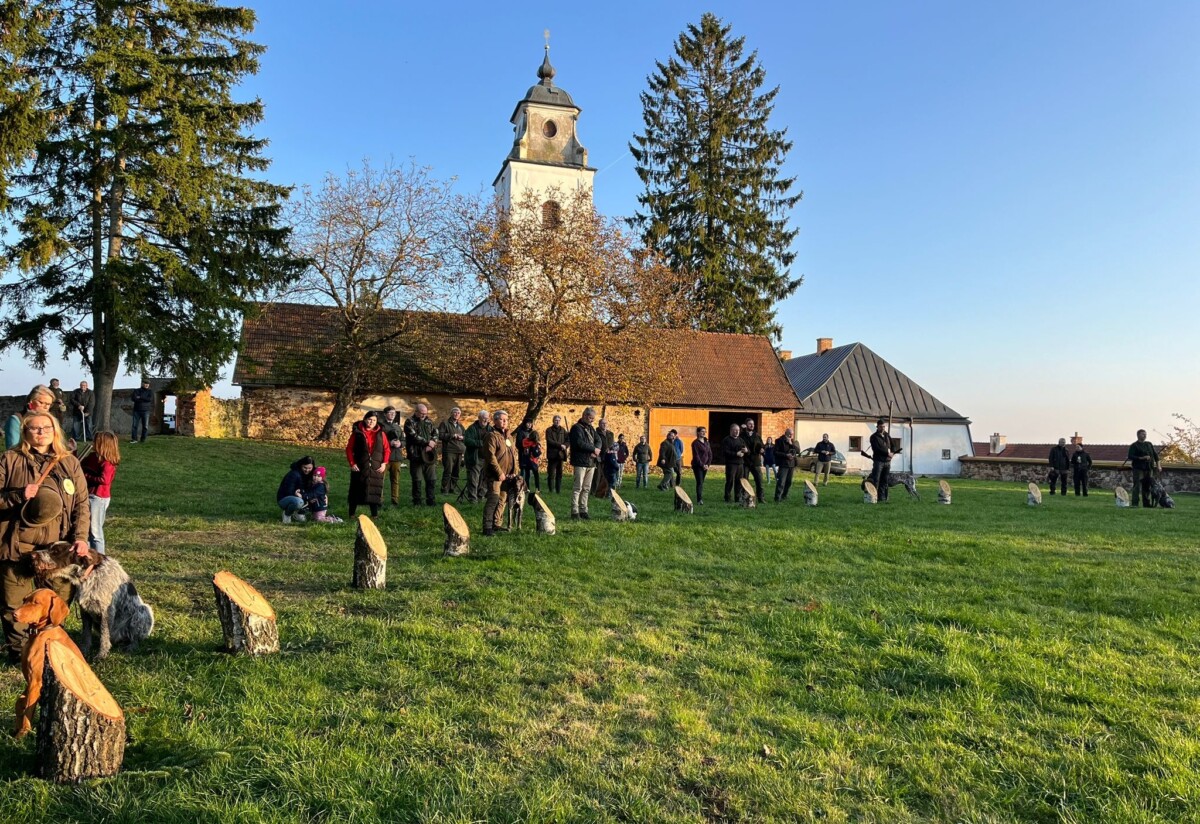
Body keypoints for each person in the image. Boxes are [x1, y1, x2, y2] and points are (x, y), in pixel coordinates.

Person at [0, 411, 90, 661]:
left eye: (46, 428)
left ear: (55, 432)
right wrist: (18, 495)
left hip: (57, 550)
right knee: (13, 605)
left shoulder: (69, 462)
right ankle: (20, 653)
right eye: (35, 429)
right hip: (17, 545)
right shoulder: (9, 460)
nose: (41, 433)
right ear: (25, 432)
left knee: (59, 601)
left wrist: (81, 537)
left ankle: (47, 647)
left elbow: (82, 504)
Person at [81, 431, 120, 553]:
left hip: (98, 498)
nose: (93, 444)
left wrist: (86, 476)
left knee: (95, 530)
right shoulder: (93, 458)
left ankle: (100, 557)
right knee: (86, 528)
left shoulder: (107, 463)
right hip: (90, 495)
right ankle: (87, 555)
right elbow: (78, 464)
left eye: (96, 442)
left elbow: (104, 480)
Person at [346, 411, 390, 517]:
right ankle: (351, 514)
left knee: (375, 490)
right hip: (360, 466)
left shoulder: (381, 433)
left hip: (376, 466)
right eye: (369, 419)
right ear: (365, 419)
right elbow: (349, 449)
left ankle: (374, 515)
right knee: (356, 490)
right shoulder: (357, 432)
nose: (371, 422)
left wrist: (384, 463)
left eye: (374, 420)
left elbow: (387, 449)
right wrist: (352, 463)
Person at [483, 410, 519, 536]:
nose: (504, 422)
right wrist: (499, 472)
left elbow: (514, 454)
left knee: (502, 500)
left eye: (506, 419)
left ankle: (496, 524)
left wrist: (514, 472)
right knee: (493, 499)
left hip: (508, 475)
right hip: (495, 474)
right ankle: (487, 527)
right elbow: (490, 457)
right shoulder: (491, 436)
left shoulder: (509, 436)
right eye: (502, 419)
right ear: (495, 421)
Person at [569, 407, 603, 520]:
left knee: (586, 488)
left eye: (593, 418)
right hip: (580, 461)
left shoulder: (591, 429)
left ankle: (584, 510)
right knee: (578, 487)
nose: (592, 420)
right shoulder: (576, 428)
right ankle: (575, 511)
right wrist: (593, 449)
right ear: (584, 415)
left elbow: (599, 441)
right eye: (590, 418)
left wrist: (596, 450)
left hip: (591, 462)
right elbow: (579, 443)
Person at [403, 403, 438, 506]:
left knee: (431, 479)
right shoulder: (409, 422)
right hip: (416, 455)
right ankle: (417, 501)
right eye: (422, 413)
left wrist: (431, 444)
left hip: (429, 454)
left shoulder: (429, 421)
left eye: (425, 413)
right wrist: (427, 442)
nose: (424, 415)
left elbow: (435, 433)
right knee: (417, 479)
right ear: (416, 412)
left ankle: (431, 500)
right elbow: (413, 436)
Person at [860, 419, 901, 502]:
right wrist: (887, 453)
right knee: (876, 479)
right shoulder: (873, 437)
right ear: (877, 427)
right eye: (880, 426)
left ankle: (883, 498)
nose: (882, 428)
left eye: (883, 426)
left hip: (887, 461)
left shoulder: (887, 435)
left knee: (885, 480)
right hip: (878, 461)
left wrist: (893, 453)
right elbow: (876, 449)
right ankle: (874, 497)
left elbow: (893, 445)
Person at [6, 385, 54, 450]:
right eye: (41, 402)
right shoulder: (17, 419)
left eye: (48, 404)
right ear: (31, 401)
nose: (46, 407)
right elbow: (12, 449)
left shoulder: (51, 420)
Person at [1125, 429, 1160, 508]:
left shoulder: (1149, 444)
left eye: (1145, 434)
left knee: (1147, 486)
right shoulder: (1134, 445)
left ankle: (1146, 503)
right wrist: (1141, 458)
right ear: (1138, 435)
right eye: (1142, 434)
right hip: (1138, 468)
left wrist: (1158, 466)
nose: (1144, 436)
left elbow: (1155, 455)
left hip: (1149, 468)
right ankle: (1135, 503)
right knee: (1137, 485)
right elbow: (1130, 456)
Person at [464, 410, 492, 503]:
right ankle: (472, 499)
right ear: (479, 418)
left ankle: (480, 496)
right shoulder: (472, 428)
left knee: (484, 479)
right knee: (473, 479)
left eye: (487, 418)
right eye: (484, 418)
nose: (485, 420)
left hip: (487, 458)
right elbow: (467, 441)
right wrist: (481, 443)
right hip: (475, 458)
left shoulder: (491, 429)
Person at [379, 407, 405, 506]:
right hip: (384, 457)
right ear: (385, 414)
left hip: (396, 457)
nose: (393, 415)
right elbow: (379, 440)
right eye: (390, 413)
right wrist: (390, 443)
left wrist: (400, 444)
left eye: (394, 413)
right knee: (381, 480)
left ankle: (395, 500)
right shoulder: (381, 426)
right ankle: (379, 500)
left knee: (395, 480)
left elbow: (403, 440)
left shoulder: (397, 427)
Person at [278, 456, 315, 523]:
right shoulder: (294, 474)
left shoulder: (313, 475)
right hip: (285, 498)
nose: (307, 470)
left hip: (301, 496)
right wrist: (298, 494)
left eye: (310, 468)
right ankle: (287, 514)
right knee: (298, 502)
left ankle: (299, 513)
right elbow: (288, 491)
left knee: (315, 496)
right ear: (301, 466)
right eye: (305, 467)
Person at [438, 407, 467, 494]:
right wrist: (452, 435)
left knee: (456, 471)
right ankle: (444, 489)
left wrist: (462, 437)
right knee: (448, 470)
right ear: (451, 414)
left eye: (458, 413)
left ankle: (452, 488)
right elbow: (440, 435)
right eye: (455, 412)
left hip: (459, 451)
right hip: (449, 450)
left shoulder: (460, 426)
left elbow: (466, 437)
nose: (457, 414)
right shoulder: (444, 424)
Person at [740, 418, 766, 503]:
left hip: (756, 461)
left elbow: (762, 445)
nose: (752, 425)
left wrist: (762, 449)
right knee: (744, 480)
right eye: (750, 424)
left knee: (759, 481)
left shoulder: (757, 435)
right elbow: (740, 445)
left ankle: (761, 498)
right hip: (745, 461)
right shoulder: (742, 435)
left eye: (753, 424)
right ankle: (745, 497)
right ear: (746, 425)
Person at [722, 423, 747, 502]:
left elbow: (746, 448)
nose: (737, 432)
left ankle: (737, 498)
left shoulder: (741, 440)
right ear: (731, 430)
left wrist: (746, 450)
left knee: (739, 482)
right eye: (735, 430)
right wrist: (736, 454)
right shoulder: (726, 440)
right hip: (731, 464)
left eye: (738, 430)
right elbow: (725, 452)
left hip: (740, 464)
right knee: (730, 481)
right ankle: (727, 498)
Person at [544, 415, 568, 494]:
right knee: (551, 474)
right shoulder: (549, 430)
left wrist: (565, 446)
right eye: (555, 420)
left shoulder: (563, 430)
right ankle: (551, 490)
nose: (557, 422)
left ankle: (558, 490)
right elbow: (549, 441)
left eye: (558, 420)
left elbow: (568, 440)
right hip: (552, 455)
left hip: (560, 455)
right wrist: (560, 445)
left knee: (559, 474)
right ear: (553, 421)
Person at [774, 428, 800, 501]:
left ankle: (784, 496)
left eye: (792, 434)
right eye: (789, 434)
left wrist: (791, 444)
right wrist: (786, 455)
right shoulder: (779, 441)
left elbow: (798, 451)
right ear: (786, 433)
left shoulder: (794, 442)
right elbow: (775, 452)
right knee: (781, 481)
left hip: (792, 464)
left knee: (789, 482)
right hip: (783, 464)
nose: (791, 436)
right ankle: (777, 497)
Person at [691, 426, 712, 505]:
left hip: (705, 466)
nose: (704, 433)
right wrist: (702, 465)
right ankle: (699, 499)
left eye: (705, 431)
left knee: (702, 482)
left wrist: (707, 465)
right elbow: (696, 456)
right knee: (699, 482)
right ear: (698, 433)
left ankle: (700, 496)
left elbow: (710, 454)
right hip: (697, 466)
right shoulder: (695, 443)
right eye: (702, 431)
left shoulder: (707, 442)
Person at [130, 379, 154, 443]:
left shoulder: (150, 392)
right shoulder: (137, 390)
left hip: (146, 411)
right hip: (136, 410)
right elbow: (133, 398)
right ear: (142, 383)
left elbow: (149, 399)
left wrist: (140, 397)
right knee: (134, 426)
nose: (146, 385)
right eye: (145, 383)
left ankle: (143, 439)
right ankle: (134, 439)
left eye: (148, 384)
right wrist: (144, 398)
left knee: (145, 426)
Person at [520, 426, 543, 492]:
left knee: (527, 475)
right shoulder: (534, 444)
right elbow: (535, 454)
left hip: (526, 460)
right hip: (533, 461)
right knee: (536, 475)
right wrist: (539, 451)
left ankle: (527, 488)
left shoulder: (525, 441)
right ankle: (537, 489)